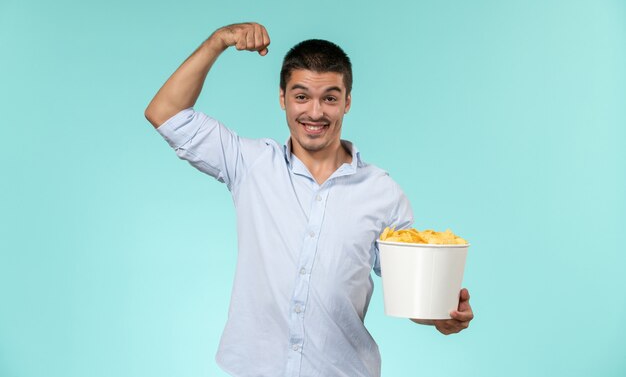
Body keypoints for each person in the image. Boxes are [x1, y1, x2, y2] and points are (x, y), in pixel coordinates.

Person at [144, 22, 474, 377]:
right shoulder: (250, 164)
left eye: (329, 98)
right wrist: (219, 41)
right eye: (301, 96)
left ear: (347, 102)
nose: (315, 113)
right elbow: (165, 112)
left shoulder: (382, 193)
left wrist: (440, 315)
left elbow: (410, 291)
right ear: (282, 98)